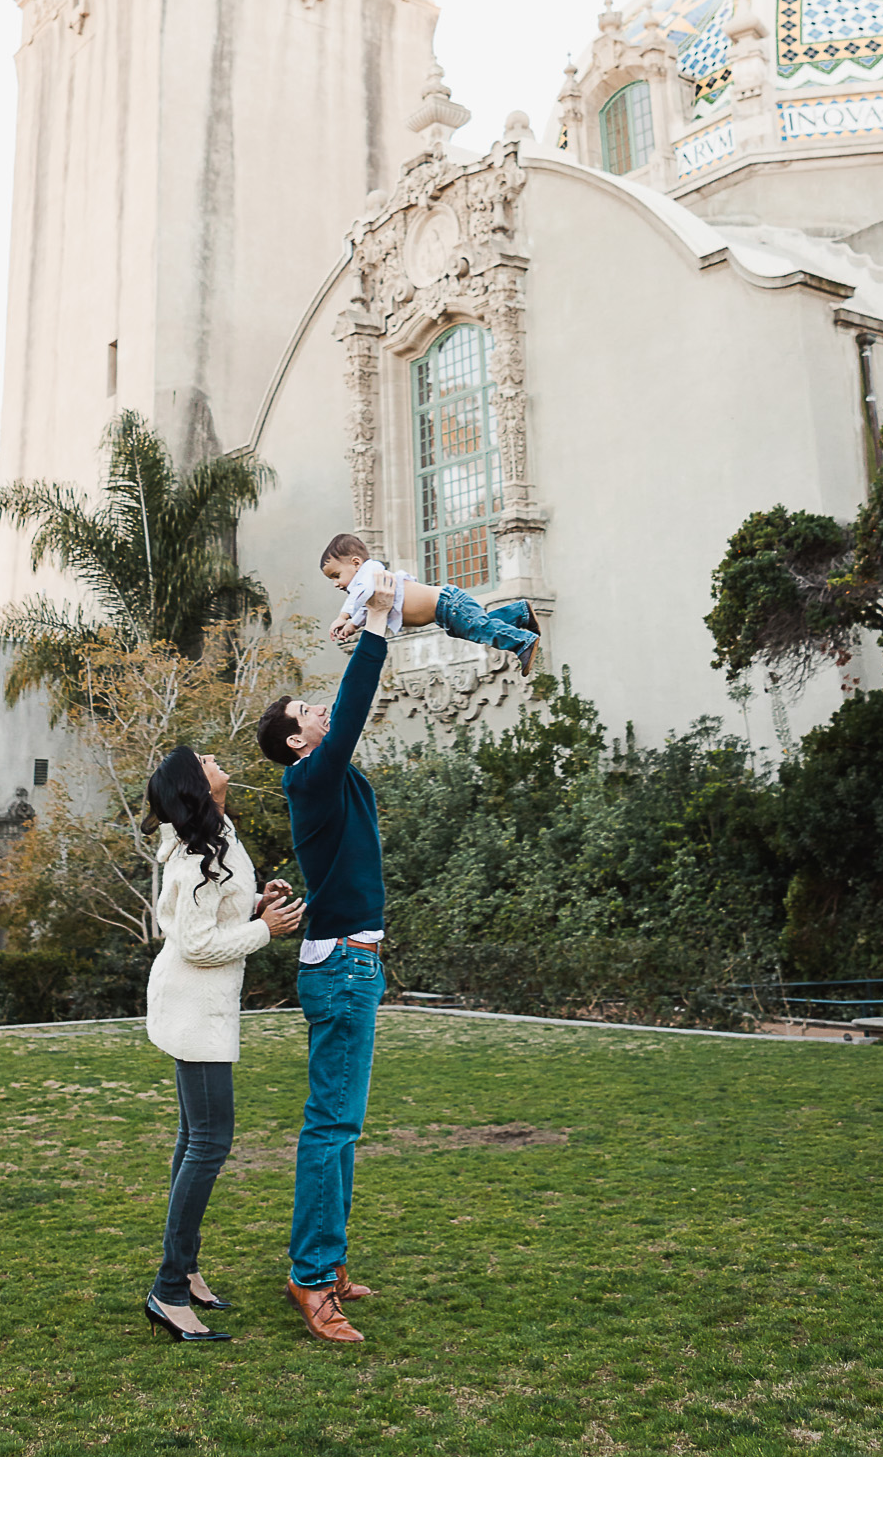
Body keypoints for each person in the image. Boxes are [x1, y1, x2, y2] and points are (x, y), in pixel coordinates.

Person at [255, 570, 399, 1343]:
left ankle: (329, 1263)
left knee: (342, 1126)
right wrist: (375, 622)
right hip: (342, 970)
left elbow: (347, 725)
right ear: (297, 740)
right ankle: (311, 1279)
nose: (318, 711)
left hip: (352, 963)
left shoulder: (325, 778)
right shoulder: (310, 778)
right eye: (307, 712)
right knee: (331, 1128)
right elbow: (351, 714)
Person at [142, 745, 305, 1344]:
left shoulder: (219, 833)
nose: (214, 756)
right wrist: (267, 929)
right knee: (209, 1144)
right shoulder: (192, 859)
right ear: (196, 784)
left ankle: (183, 1269)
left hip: (204, 1005)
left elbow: (216, 914)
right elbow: (195, 945)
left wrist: (257, 903)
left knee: (195, 1141)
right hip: (194, 1008)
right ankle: (168, 1289)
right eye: (203, 758)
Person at [321, 530, 541, 677]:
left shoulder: (369, 573)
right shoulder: (366, 586)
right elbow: (367, 608)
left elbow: (359, 596)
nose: (335, 584)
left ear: (356, 563)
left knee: (478, 628)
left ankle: (522, 642)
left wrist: (343, 617)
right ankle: (520, 613)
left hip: (448, 604)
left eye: (336, 575)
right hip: (446, 610)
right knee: (475, 627)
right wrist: (352, 625)